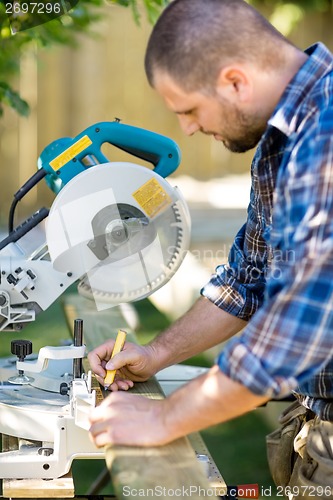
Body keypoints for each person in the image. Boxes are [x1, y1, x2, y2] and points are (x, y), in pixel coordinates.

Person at [88, 0, 333, 495]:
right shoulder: (281, 144)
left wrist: (163, 420)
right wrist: (157, 353)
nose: (189, 129)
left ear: (235, 81)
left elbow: (289, 338)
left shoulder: (324, 137)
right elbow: (249, 282)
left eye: (190, 110)